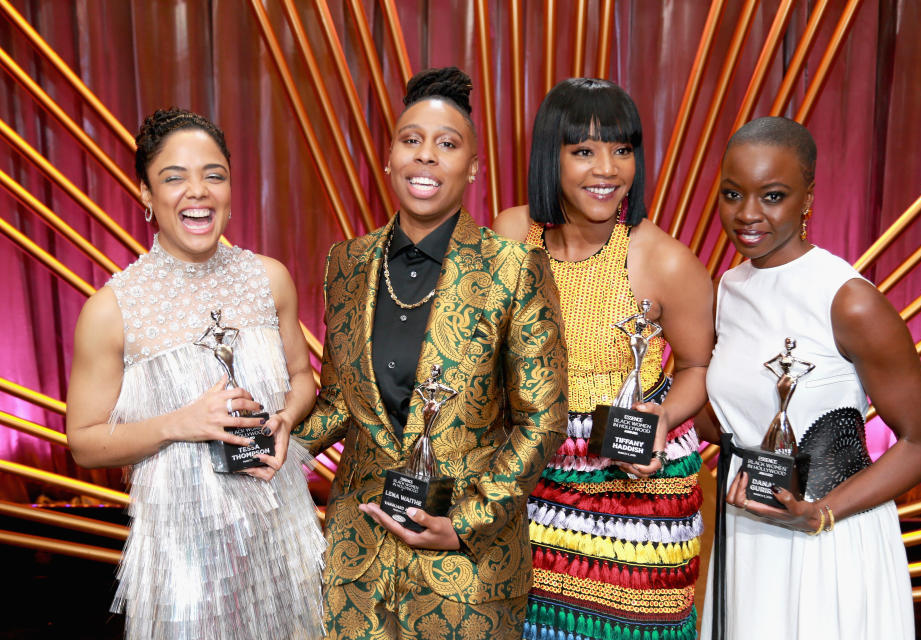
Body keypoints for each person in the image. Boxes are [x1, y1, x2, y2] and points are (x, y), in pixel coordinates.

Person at [293, 67, 568, 639]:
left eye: (447, 144)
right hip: (357, 559)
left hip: (467, 568)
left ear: (472, 169)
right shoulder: (345, 264)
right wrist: (284, 441)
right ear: (389, 157)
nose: (425, 157)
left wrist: (465, 522)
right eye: (411, 140)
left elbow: (542, 422)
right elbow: (342, 401)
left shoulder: (513, 268)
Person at [65, 108, 325, 639]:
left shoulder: (268, 279)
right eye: (173, 177)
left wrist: (285, 421)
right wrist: (181, 422)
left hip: (279, 531)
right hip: (184, 554)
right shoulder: (113, 309)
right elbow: (84, 443)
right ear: (144, 193)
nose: (198, 191)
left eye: (213, 174)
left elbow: (304, 380)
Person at [697, 116, 921, 640]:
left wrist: (821, 514)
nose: (747, 214)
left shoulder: (848, 299)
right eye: (732, 193)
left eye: (772, 195)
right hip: (747, 535)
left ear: (808, 197)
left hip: (827, 542)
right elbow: (732, 423)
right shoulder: (729, 289)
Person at [494, 78, 713, 640]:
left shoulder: (663, 259)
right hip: (531, 484)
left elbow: (697, 367)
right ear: (551, 156)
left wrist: (660, 421)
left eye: (622, 150)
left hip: (635, 498)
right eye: (584, 151)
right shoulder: (511, 233)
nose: (607, 169)